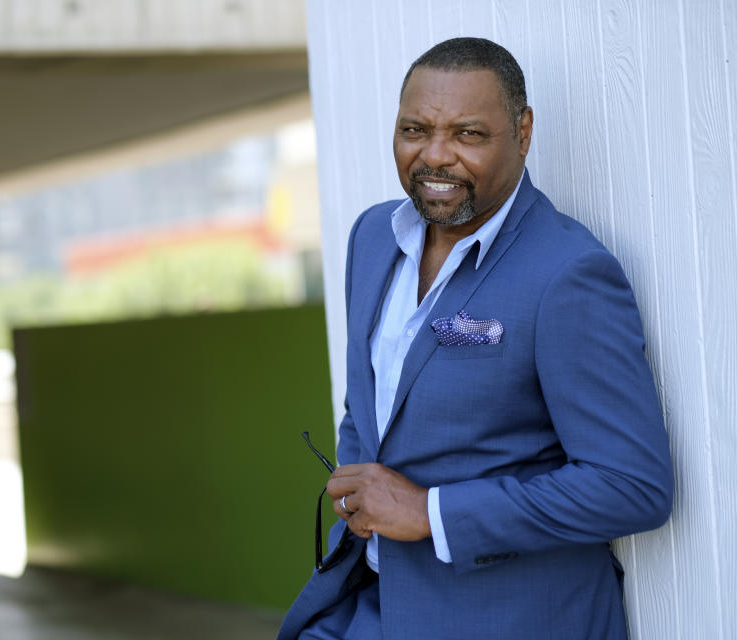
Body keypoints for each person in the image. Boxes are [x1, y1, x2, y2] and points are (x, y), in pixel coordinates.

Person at [278, 37, 673, 640]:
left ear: (523, 131)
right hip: (369, 604)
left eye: (468, 134)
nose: (435, 156)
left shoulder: (567, 274)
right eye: (415, 129)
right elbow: (370, 404)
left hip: (510, 617)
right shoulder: (373, 238)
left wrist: (429, 513)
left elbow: (630, 487)